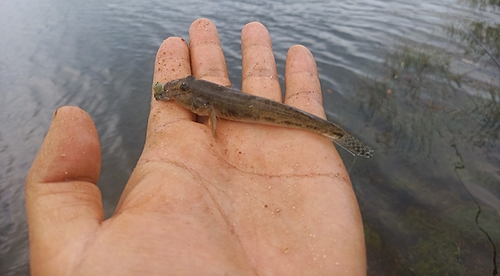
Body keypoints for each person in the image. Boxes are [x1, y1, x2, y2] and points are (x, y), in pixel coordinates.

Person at [25, 19, 367, 275]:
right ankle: (337, 134)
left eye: (186, 92)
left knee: (294, 116)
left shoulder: (207, 104)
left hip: (250, 108)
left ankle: (336, 134)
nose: (179, 93)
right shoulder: (195, 96)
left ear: (205, 105)